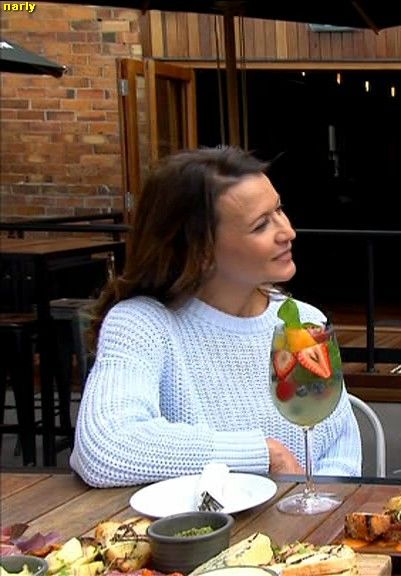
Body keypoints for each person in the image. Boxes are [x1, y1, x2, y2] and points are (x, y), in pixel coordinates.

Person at [70, 147, 362, 487]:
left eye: (279, 209)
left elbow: (341, 452)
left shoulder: (302, 321)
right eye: (261, 225)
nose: (287, 231)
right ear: (201, 251)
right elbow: (105, 448)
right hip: (189, 522)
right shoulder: (141, 324)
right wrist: (263, 455)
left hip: (306, 521)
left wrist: (312, 506)